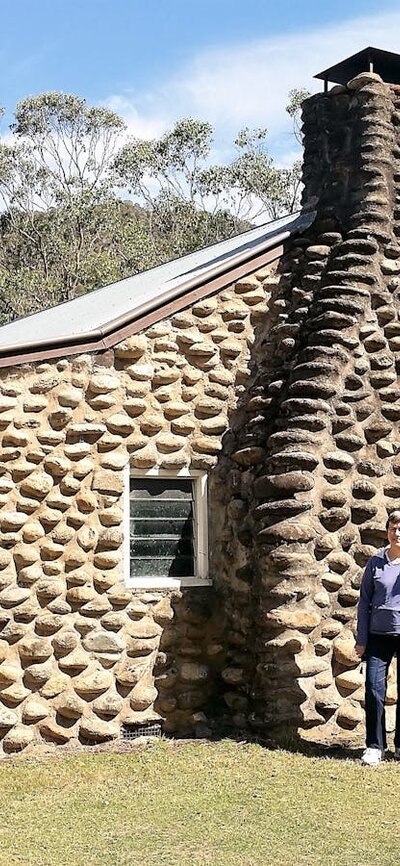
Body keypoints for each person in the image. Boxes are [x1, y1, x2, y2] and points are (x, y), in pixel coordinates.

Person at [355, 509, 400, 766]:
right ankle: (375, 746)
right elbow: (364, 603)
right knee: (373, 689)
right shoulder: (375, 563)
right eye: (393, 528)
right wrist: (361, 639)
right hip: (377, 636)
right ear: (387, 532)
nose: (398, 533)